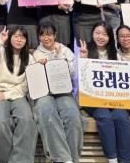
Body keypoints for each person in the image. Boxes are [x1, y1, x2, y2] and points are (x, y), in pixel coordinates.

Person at [0, 26, 37, 163]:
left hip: (18, 94)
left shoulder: (30, 58)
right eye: (16, 36)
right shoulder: (0, 51)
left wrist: (7, 95)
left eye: (22, 37)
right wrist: (0, 41)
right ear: (10, 37)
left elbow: (26, 85)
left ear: (26, 40)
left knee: (27, 120)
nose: (19, 39)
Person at [79, 22, 130, 163]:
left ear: (110, 37)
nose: (100, 37)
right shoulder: (84, 51)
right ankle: (112, 159)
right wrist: (83, 59)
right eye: (97, 33)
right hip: (92, 99)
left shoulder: (116, 54)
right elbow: (77, 79)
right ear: (92, 34)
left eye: (104, 34)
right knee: (105, 117)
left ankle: (126, 160)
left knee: (121, 117)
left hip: (113, 99)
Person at [32, 22, 83, 163]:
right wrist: (39, 67)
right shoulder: (36, 54)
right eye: (42, 35)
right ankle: (61, 158)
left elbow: (73, 73)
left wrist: (59, 57)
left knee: (73, 116)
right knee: (47, 115)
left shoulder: (65, 50)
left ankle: (73, 158)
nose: (46, 38)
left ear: (55, 35)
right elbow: (34, 78)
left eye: (49, 34)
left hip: (63, 92)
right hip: (44, 93)